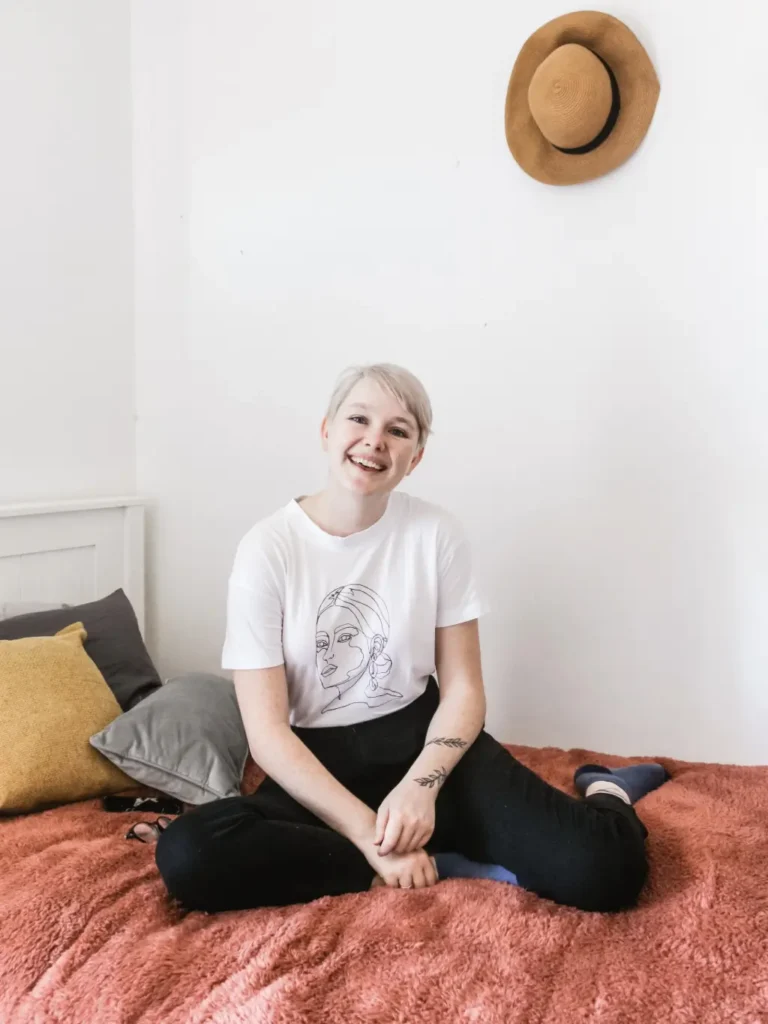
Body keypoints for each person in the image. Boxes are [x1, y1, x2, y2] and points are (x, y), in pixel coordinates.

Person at [155, 363, 668, 913]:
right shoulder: (267, 549)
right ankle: (418, 858)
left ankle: (608, 791)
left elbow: (465, 689)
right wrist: (369, 839)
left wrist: (422, 786)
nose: (374, 441)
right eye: (359, 419)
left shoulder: (435, 534)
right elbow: (267, 734)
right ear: (327, 430)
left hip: (425, 745)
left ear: (415, 456)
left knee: (607, 871)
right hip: (319, 764)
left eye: (398, 430)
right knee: (190, 855)